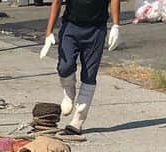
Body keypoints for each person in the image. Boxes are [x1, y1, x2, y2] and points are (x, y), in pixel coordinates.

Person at [40, 0, 120, 135]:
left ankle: (78, 120)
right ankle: (69, 91)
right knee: (65, 67)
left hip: (96, 29)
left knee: (89, 74)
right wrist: (49, 33)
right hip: (71, 27)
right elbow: (57, 2)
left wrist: (116, 26)